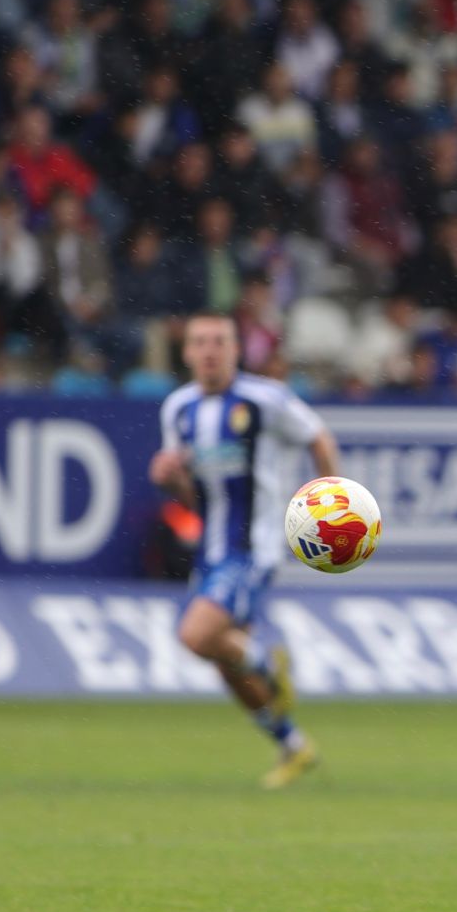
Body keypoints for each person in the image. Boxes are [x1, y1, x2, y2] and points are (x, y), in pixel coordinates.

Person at [150, 312, 340, 789]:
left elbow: (318, 435)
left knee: (196, 635)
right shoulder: (177, 409)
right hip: (211, 548)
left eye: (219, 341)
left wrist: (328, 501)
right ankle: (293, 745)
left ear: (237, 350)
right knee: (221, 659)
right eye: (200, 342)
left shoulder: (265, 399)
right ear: (187, 352)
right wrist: (173, 480)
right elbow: (195, 496)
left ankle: (262, 658)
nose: (210, 350)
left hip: (253, 547)